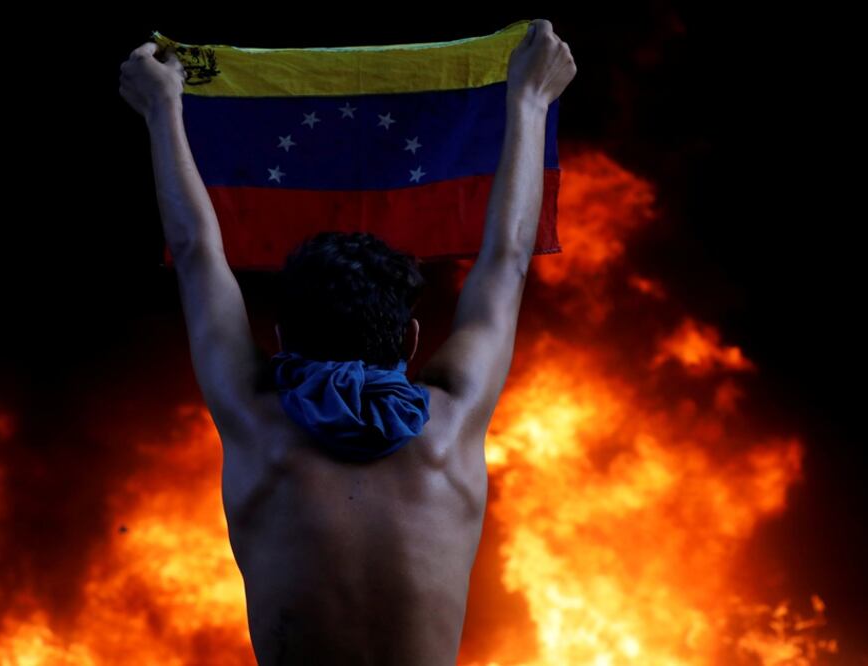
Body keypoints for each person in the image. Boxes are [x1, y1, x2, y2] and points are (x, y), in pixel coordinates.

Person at [119, 18, 576, 665]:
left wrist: (162, 108)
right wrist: (529, 101)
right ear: (412, 337)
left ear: (279, 338)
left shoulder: (256, 422)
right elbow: (507, 258)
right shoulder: (450, 423)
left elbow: (196, 253)